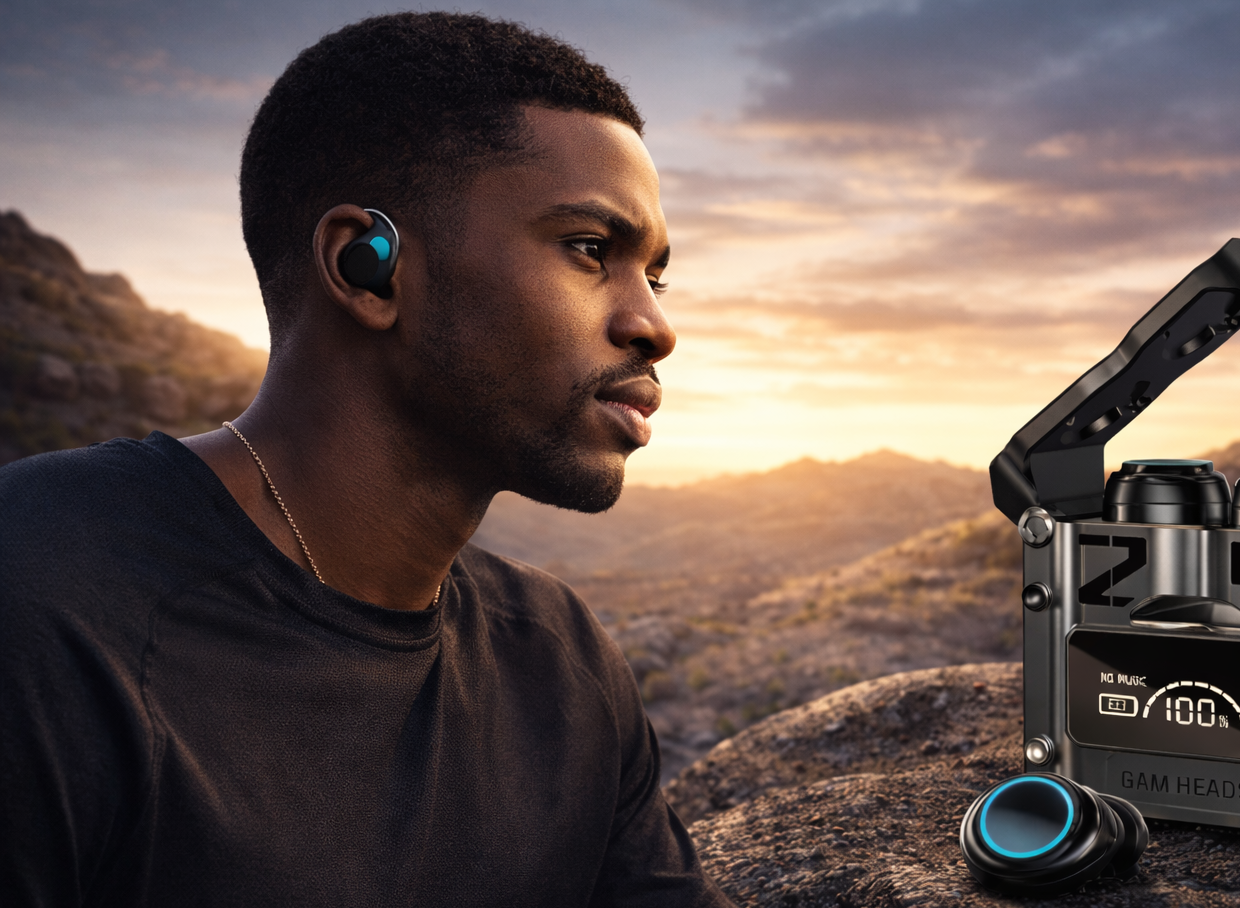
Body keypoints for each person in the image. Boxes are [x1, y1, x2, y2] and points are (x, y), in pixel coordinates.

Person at [0, 12, 733, 907]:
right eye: (590, 250)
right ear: (367, 267)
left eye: (655, 276)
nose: (654, 325)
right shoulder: (41, 599)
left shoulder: (564, 666)